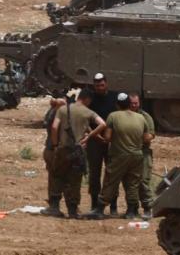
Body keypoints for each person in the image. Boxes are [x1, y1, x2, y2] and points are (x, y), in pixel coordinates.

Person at [86, 92, 154, 219]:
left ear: (117, 105)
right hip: (137, 156)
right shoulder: (141, 118)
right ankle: (131, 211)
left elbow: (107, 137)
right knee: (133, 183)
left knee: (110, 181)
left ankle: (100, 208)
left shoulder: (113, 116)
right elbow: (146, 138)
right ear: (129, 104)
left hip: (119, 155)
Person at [46, 90, 105, 218]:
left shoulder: (63, 109)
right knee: (75, 180)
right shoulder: (88, 112)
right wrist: (89, 137)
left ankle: (54, 207)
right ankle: (72, 210)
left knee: (57, 176)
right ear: (88, 99)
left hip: (62, 149)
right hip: (78, 151)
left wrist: (56, 145)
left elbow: (55, 127)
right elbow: (102, 124)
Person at [85, 72, 119, 213]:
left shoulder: (114, 97)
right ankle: (94, 204)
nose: (99, 87)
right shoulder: (90, 99)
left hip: (111, 142)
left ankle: (113, 205)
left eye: (102, 85)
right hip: (94, 141)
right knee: (94, 173)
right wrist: (94, 135)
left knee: (112, 174)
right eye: (97, 85)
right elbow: (85, 119)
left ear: (106, 84)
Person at [134, 94, 157, 218]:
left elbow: (150, 136)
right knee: (130, 182)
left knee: (143, 181)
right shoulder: (124, 115)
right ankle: (132, 208)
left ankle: (148, 207)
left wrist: (135, 138)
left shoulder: (145, 117)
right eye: (131, 103)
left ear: (139, 103)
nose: (133, 106)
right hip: (128, 152)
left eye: (135, 103)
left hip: (143, 152)